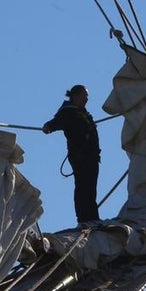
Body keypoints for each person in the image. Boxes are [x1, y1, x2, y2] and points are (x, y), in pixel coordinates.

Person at [42, 84, 101, 224]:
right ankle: (83, 218)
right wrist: (48, 127)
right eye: (84, 95)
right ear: (75, 95)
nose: (87, 98)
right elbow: (56, 122)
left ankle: (93, 217)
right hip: (80, 155)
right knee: (83, 186)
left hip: (91, 156)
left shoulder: (83, 113)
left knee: (91, 187)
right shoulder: (68, 112)